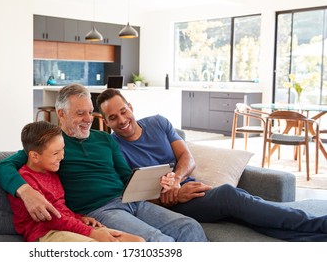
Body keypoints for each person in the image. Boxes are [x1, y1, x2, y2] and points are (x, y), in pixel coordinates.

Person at [95, 88, 327, 242]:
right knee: (230, 195)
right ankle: (317, 224)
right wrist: (174, 195)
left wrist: (176, 180)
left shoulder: (158, 123)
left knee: (245, 206)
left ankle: (312, 236)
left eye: (123, 111)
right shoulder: (112, 148)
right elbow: (131, 198)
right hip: (166, 207)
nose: (122, 120)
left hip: (191, 189)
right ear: (105, 122)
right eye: (113, 117)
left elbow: (188, 158)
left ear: (131, 107)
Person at [0, 83, 207, 242]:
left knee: (189, 226)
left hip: (131, 202)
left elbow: (126, 177)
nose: (88, 119)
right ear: (61, 114)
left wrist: (159, 184)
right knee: (157, 241)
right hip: (99, 210)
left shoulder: (105, 139)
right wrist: (26, 192)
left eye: (90, 112)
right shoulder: (50, 144)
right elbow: (2, 166)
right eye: (80, 113)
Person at [10, 120, 144, 242]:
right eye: (55, 153)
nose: (62, 156)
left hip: (68, 224)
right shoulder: (25, 179)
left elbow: (60, 208)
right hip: (46, 232)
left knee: (137, 241)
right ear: (34, 156)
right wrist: (92, 233)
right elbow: (51, 219)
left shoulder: (52, 172)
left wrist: (79, 218)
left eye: (63, 149)